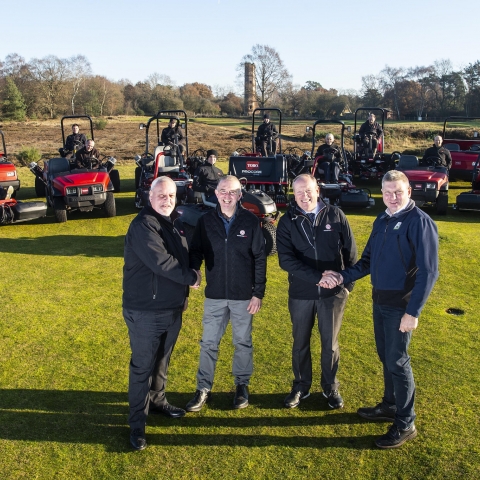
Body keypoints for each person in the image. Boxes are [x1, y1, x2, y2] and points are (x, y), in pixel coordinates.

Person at [321, 170, 439, 449]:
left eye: (398, 192)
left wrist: (413, 311)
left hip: (401, 305)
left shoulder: (420, 222)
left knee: (398, 361)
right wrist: (341, 276)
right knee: (386, 357)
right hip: (380, 300)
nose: (392, 197)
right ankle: (390, 404)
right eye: (387, 192)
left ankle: (405, 422)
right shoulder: (383, 219)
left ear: (409, 191)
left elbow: (429, 271)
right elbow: (367, 261)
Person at [123, 176, 201, 451]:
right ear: (149, 197)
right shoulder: (144, 225)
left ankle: (157, 401)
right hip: (145, 310)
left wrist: (183, 296)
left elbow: (182, 255)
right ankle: (137, 425)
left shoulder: (173, 223)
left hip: (171, 308)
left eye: (171, 196)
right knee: (142, 367)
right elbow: (162, 263)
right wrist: (191, 277)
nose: (167, 200)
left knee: (162, 361)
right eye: (161, 196)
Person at [276, 173, 357, 410]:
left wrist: (347, 286)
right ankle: (301, 386)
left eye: (308, 190)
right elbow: (286, 261)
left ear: (317, 190)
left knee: (330, 344)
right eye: (298, 192)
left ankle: (330, 387)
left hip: (333, 295)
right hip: (301, 293)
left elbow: (350, 253)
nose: (304, 196)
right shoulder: (287, 220)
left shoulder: (335, 214)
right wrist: (318, 278)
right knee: (300, 342)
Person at [186, 175, 266, 412]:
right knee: (208, 343)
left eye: (233, 192)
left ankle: (242, 386)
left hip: (244, 296)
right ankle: (203, 388)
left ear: (240, 195)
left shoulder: (251, 222)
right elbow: (196, 251)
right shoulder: (206, 221)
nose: (227, 196)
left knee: (242, 343)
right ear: (216, 193)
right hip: (215, 295)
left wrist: (258, 293)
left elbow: (260, 258)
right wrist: (194, 271)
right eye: (223, 191)